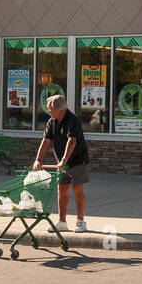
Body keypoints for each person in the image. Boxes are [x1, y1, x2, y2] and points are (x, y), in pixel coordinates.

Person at [32, 94, 90, 232]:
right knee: (61, 189)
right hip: (61, 161)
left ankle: (81, 221)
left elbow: (72, 141)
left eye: (50, 108)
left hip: (77, 160)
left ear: (59, 109)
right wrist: (38, 160)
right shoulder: (52, 122)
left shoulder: (73, 120)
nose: (48, 111)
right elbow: (46, 142)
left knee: (77, 189)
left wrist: (64, 160)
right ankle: (62, 221)